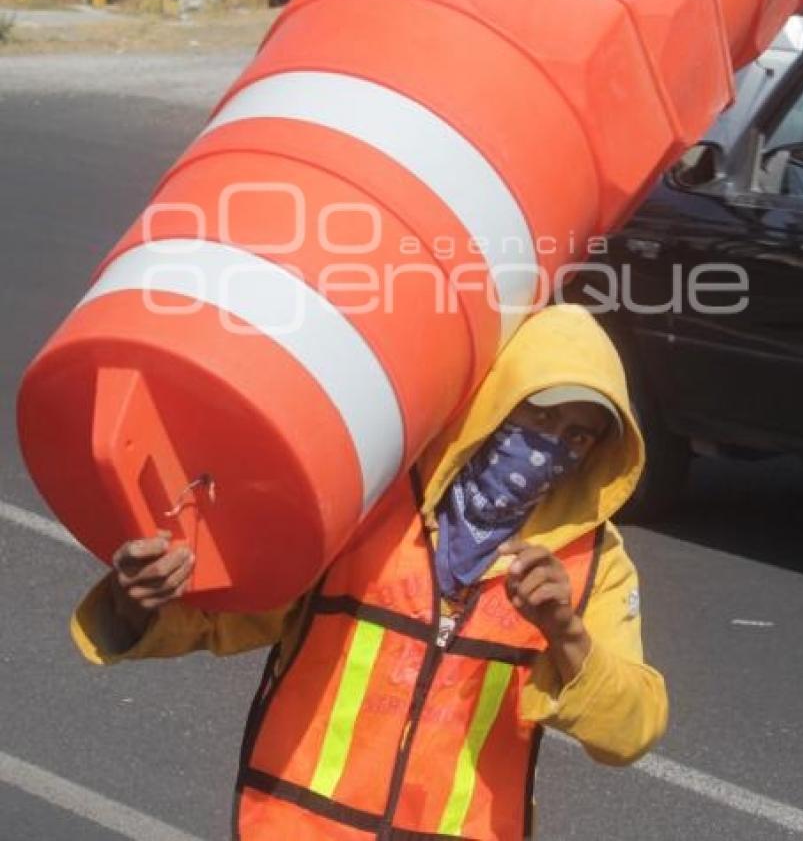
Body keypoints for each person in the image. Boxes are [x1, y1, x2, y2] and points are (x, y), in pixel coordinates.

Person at [72, 304, 668, 839]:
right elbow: (229, 617)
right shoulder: (370, 502)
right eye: (537, 417)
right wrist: (140, 601)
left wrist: (567, 636)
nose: (548, 449)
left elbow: (631, 730)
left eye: (577, 434)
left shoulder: (595, 563)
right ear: (494, 405)